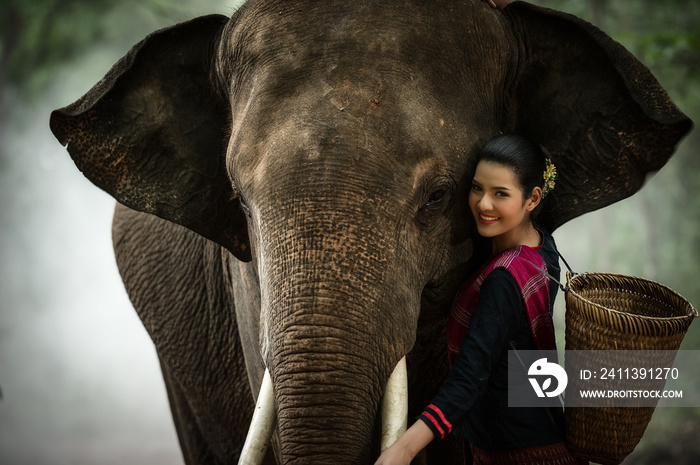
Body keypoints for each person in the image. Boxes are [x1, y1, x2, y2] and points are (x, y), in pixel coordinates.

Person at [375, 135, 586, 465]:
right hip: (542, 430)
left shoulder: (503, 279)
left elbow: (469, 379)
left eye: (500, 194)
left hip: (519, 452)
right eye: (477, 188)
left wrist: (404, 449)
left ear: (532, 198)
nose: (483, 204)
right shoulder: (542, 243)